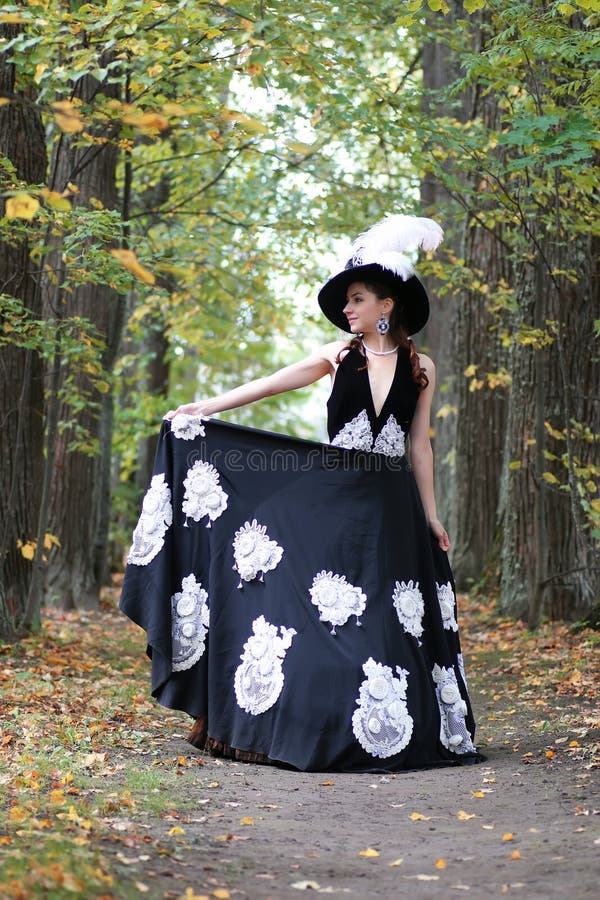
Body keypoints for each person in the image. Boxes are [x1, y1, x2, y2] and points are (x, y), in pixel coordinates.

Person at [121, 214, 481, 771]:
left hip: (392, 510)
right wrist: (204, 409)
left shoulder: (422, 367)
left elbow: (420, 447)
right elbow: (268, 385)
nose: (348, 309)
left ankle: (379, 730)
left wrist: (431, 516)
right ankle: (277, 723)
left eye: (357, 299)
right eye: (347, 301)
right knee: (313, 615)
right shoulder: (337, 358)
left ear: (387, 305)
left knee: (383, 628)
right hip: (333, 501)